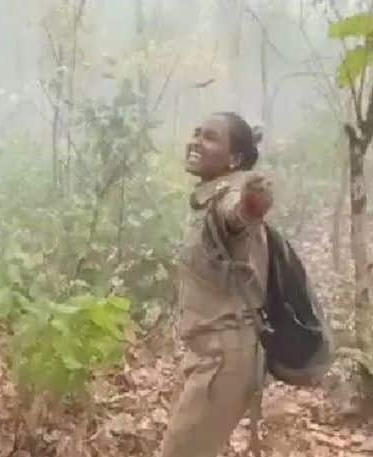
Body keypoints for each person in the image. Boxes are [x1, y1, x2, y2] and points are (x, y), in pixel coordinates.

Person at [159, 112, 273, 457]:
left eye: (209, 137)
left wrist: (251, 206)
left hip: (224, 361)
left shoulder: (229, 194)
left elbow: (238, 215)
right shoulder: (212, 193)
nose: (195, 141)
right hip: (216, 356)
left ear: (234, 159)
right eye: (196, 132)